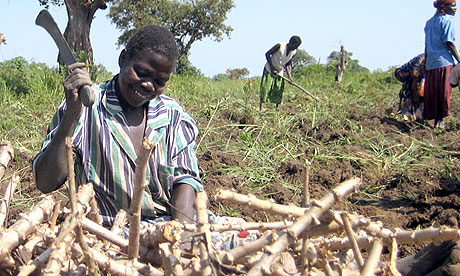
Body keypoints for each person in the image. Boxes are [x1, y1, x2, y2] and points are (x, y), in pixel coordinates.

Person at [33, 25, 202, 227]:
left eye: (159, 81)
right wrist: (71, 115)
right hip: (106, 232)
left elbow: (186, 180)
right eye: (141, 72)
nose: (148, 85)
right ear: (122, 59)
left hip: (167, 228)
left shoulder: (174, 116)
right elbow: (45, 182)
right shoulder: (85, 108)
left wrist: (183, 235)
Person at [424, 0, 460, 129]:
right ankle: (441, 120)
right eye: (453, 5)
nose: (455, 8)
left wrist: (425, 63)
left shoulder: (429, 23)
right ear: (444, 7)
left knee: (434, 92)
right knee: (444, 92)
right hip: (444, 62)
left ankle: (437, 120)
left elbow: (427, 45)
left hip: (431, 63)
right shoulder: (447, 20)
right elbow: (449, 43)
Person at [259, 35, 302, 110]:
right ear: (291, 43)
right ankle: (261, 109)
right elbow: (267, 54)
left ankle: (277, 110)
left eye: (297, 46)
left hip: (279, 71)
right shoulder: (280, 46)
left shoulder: (293, 52)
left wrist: (290, 77)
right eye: (295, 46)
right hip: (270, 68)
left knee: (279, 89)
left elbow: (288, 65)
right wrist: (272, 68)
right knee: (266, 88)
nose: (295, 48)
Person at [394, 53, 426, 122]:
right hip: (403, 73)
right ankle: (408, 115)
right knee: (411, 91)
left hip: (417, 76)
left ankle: (417, 115)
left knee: (421, 93)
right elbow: (414, 76)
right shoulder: (421, 59)